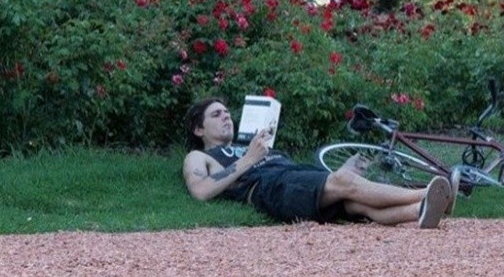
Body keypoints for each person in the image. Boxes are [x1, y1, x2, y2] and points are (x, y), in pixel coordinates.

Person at [182, 97, 454, 228]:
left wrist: (345, 171)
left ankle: (422, 209)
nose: (226, 117)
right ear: (198, 130)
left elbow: (307, 179)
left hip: (292, 177)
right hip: (269, 188)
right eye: (216, 115)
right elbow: (201, 191)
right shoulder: (200, 157)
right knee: (343, 184)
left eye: (228, 113)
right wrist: (250, 159)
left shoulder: (248, 143)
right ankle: (432, 193)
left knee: (356, 203)